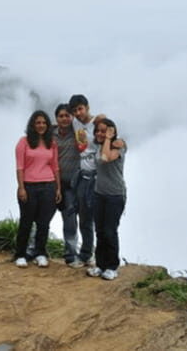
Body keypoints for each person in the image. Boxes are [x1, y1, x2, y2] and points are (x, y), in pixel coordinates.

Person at [14, 110, 61, 268]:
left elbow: (55, 167)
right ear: (32, 125)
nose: (41, 125)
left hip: (48, 185)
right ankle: (20, 254)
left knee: (43, 223)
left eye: (44, 123)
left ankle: (40, 253)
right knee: (26, 222)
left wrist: (58, 189)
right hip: (29, 185)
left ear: (48, 125)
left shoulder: (51, 143)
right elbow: (20, 167)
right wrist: (21, 188)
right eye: (38, 123)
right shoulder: (24, 142)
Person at [86, 118, 127, 280]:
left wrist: (109, 138)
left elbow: (105, 158)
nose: (99, 134)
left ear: (112, 131)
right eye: (98, 131)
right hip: (99, 193)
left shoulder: (119, 146)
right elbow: (99, 117)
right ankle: (100, 264)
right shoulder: (98, 145)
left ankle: (112, 266)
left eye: (103, 131)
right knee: (100, 231)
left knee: (110, 231)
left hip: (115, 195)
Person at [68, 94, 98, 268]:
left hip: (97, 176)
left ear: (87, 107)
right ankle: (86, 254)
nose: (78, 113)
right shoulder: (76, 123)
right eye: (75, 110)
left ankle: (99, 256)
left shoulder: (98, 124)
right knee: (84, 218)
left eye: (80, 108)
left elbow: (113, 135)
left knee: (98, 219)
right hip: (83, 176)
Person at [52, 103, 82, 266]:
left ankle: (71, 255)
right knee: (41, 217)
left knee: (70, 220)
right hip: (51, 182)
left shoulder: (78, 134)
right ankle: (35, 250)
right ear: (56, 118)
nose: (64, 118)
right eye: (61, 116)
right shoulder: (51, 134)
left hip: (71, 184)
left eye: (67, 116)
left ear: (72, 118)